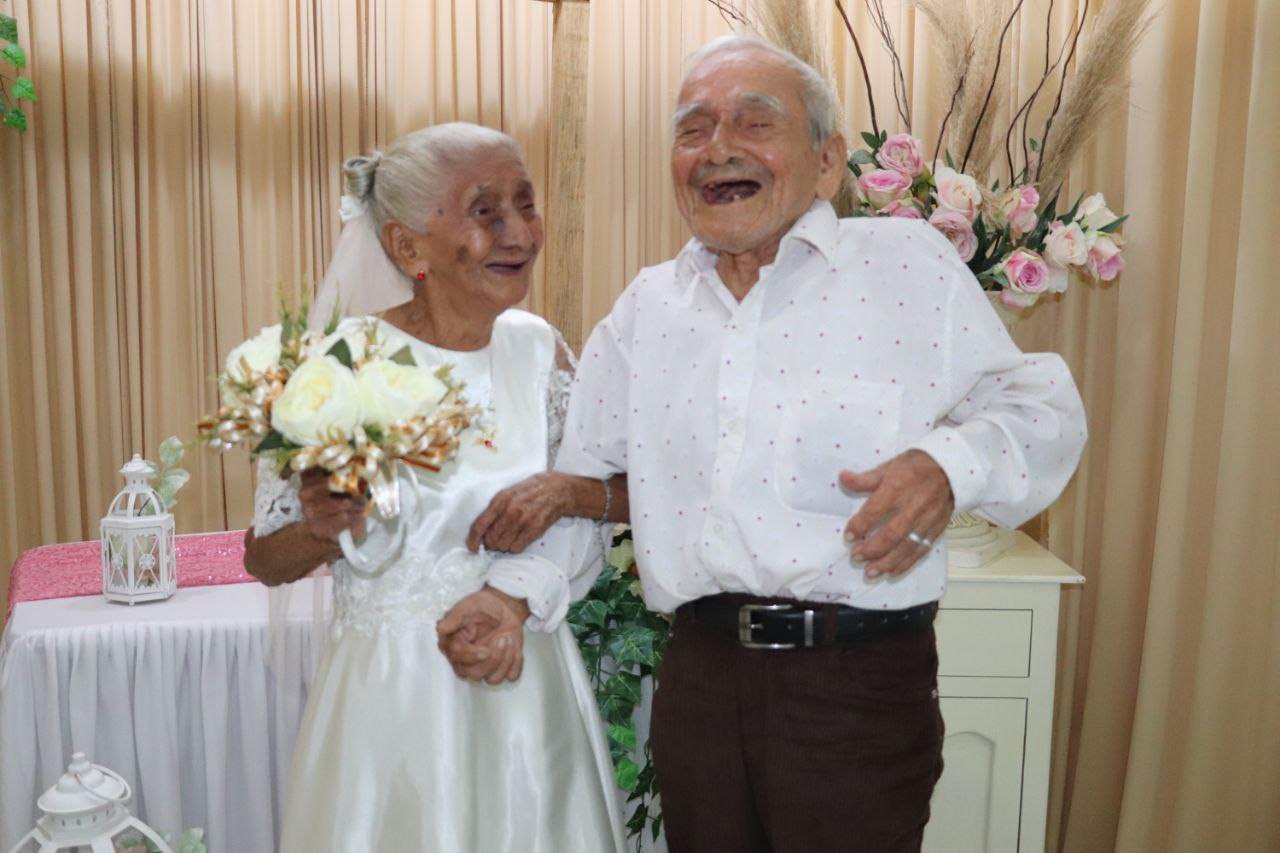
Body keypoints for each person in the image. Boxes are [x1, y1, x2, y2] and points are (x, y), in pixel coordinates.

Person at [468, 35, 1088, 852]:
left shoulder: (905, 266)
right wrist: (509, 598)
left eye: (754, 122)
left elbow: (1041, 403)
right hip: (698, 681)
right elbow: (585, 483)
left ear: (827, 162)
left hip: (856, 685)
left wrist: (947, 465)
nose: (718, 148)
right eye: (693, 130)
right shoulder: (648, 308)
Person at [242, 122, 627, 852]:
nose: (518, 232)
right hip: (389, 700)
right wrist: (324, 526)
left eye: (525, 202)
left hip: (523, 680)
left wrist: (525, 585)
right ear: (406, 245)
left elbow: (586, 507)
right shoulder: (340, 366)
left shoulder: (540, 349)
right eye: (485, 211)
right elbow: (264, 559)